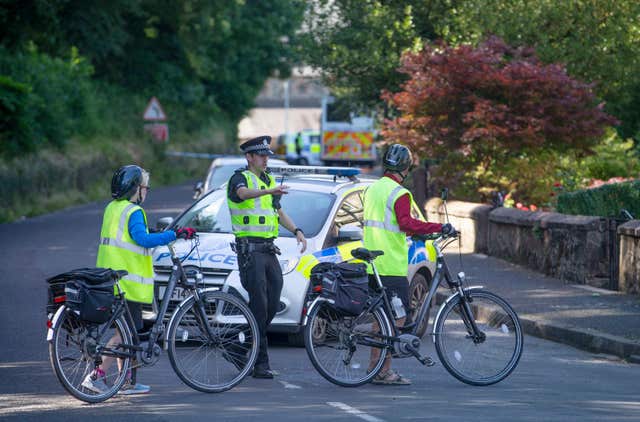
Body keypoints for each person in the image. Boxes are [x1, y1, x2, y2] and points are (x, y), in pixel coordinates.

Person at [84, 165, 195, 395]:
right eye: (145, 187)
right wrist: (174, 234)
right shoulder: (134, 212)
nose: (146, 191)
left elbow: (129, 235)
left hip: (110, 279)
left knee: (129, 332)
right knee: (124, 333)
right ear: (136, 189)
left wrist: (155, 231)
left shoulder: (112, 208)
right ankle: (96, 376)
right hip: (127, 283)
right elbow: (142, 239)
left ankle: (128, 382)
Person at [363, 144, 451, 385]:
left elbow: (385, 222)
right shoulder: (399, 193)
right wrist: (438, 227)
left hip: (373, 266)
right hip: (391, 266)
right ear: (406, 168)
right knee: (397, 319)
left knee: (380, 320)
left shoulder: (373, 189)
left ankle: (374, 368)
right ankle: (383, 372)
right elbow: (406, 223)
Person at [227, 135, 307, 379]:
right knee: (260, 305)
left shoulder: (268, 180)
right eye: (261, 156)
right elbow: (241, 194)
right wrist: (269, 189)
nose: (265, 160)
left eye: (267, 156)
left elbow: (278, 210)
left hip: (269, 249)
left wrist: (296, 230)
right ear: (249, 157)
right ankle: (260, 363)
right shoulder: (239, 178)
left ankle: (239, 346)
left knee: (272, 302)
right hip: (249, 250)